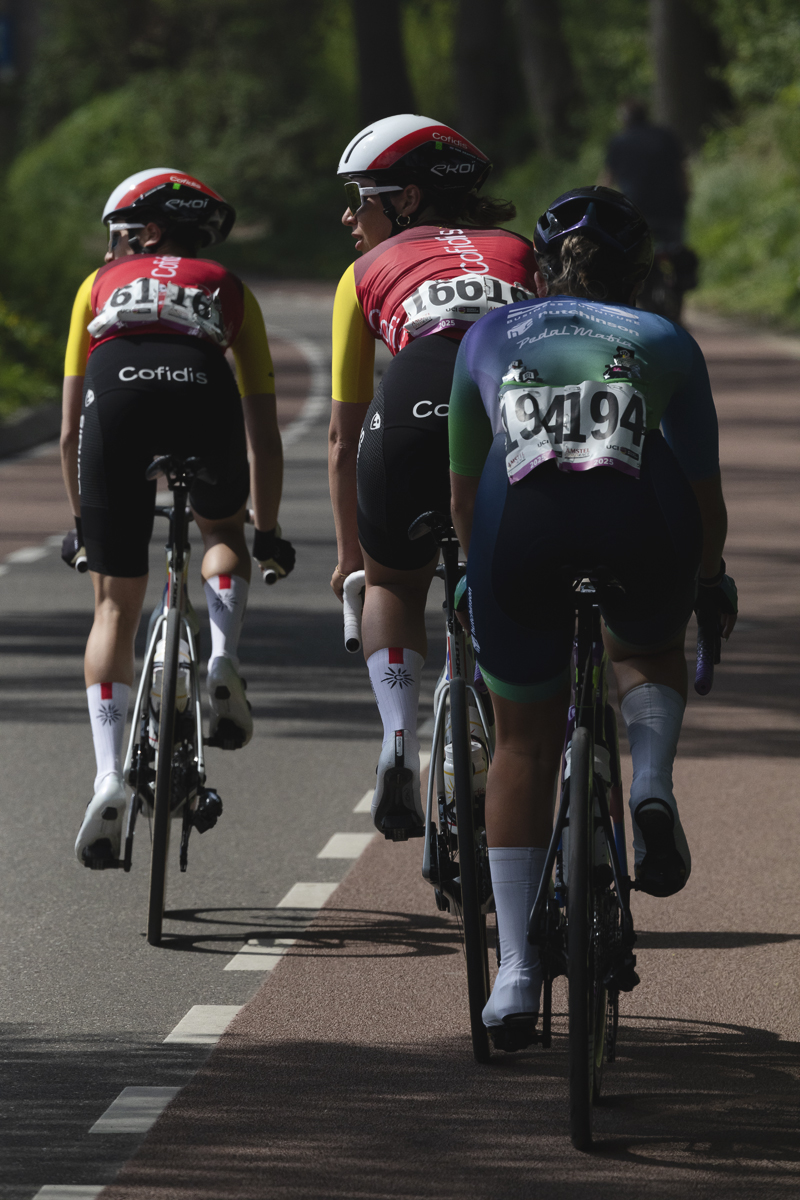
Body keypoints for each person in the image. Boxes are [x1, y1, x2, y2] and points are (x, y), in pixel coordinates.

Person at [448, 186, 737, 1039]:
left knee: (523, 741)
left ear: (540, 269)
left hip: (518, 534)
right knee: (646, 650)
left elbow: (465, 494)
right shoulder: (664, 339)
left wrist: (476, 577)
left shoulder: (488, 334)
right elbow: (703, 496)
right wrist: (709, 579)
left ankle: (517, 974)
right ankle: (649, 781)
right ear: (642, 275)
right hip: (638, 525)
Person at [61, 168, 295, 868]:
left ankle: (108, 776)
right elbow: (263, 422)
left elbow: (71, 427)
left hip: (117, 399)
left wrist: (83, 527)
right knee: (221, 533)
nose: (112, 250)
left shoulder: (98, 287)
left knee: (113, 607)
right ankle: (221, 657)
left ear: (147, 231)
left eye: (119, 236)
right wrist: (268, 527)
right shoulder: (226, 283)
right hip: (203, 390)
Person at [329, 113, 537, 840]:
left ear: (408, 201)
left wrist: (353, 556)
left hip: (413, 404)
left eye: (364, 198)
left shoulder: (362, 274)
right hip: (509, 406)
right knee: (512, 577)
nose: (349, 216)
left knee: (393, 583)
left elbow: (341, 433)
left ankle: (395, 740)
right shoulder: (520, 250)